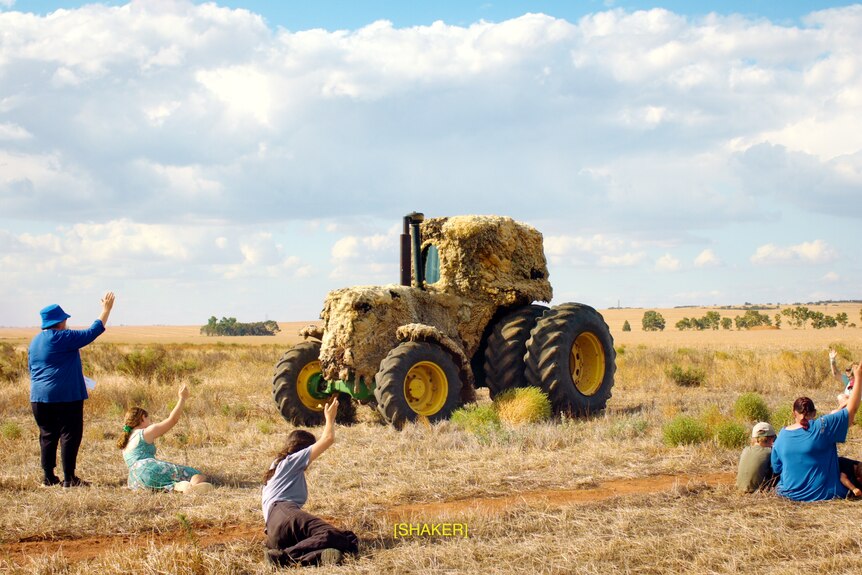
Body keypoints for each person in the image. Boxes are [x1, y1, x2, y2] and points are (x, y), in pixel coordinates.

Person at [29, 292, 115, 487]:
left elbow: (32, 369)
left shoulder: (35, 341)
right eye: (65, 319)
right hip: (65, 397)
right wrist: (106, 310)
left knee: (47, 435)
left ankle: (48, 477)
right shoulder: (62, 337)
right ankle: (69, 479)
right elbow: (91, 332)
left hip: (38, 398)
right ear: (60, 322)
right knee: (70, 434)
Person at [262, 397, 359, 567]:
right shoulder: (291, 461)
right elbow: (327, 439)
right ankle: (282, 558)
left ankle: (316, 556)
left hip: (274, 532)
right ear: (304, 448)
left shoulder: (277, 465)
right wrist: (330, 418)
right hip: (284, 514)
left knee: (348, 540)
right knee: (332, 535)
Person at [771, 362, 862, 501]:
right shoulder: (822, 427)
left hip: (788, 493)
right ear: (814, 413)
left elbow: (777, 468)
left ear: (793, 413)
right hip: (823, 492)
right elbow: (852, 410)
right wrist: (859, 376)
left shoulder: (782, 436)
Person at [118, 383, 212, 494]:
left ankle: (177, 487)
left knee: (163, 484)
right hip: (149, 469)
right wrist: (182, 398)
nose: (150, 421)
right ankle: (192, 487)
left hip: (135, 481)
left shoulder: (126, 441)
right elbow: (172, 420)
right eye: (148, 418)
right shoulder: (145, 433)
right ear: (143, 418)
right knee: (196, 474)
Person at [736, 422, 777, 493]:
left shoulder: (745, 449)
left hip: (740, 488)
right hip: (757, 492)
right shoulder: (770, 452)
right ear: (771, 439)